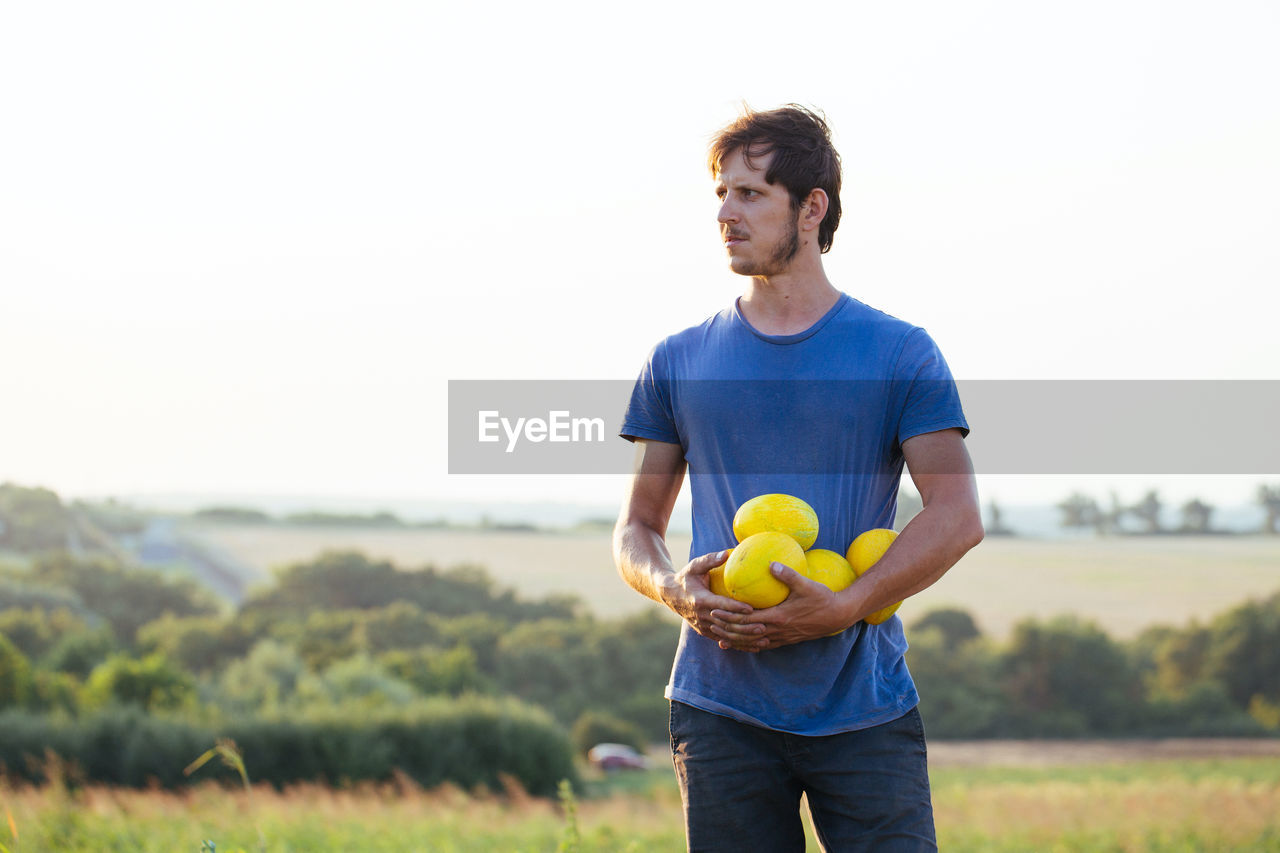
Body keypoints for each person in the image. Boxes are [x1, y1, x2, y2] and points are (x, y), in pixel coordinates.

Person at [612, 105, 984, 852]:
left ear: (811, 207)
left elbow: (957, 514)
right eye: (721, 193)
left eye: (751, 193)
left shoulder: (899, 352)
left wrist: (844, 605)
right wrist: (674, 589)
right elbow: (637, 530)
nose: (725, 213)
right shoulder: (676, 359)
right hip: (718, 712)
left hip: (863, 708)